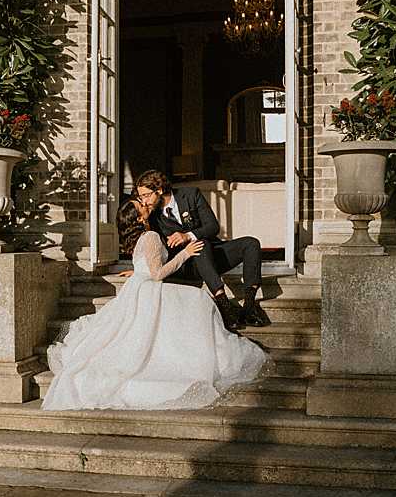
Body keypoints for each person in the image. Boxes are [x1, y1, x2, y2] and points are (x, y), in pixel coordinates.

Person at [41, 196, 268, 411]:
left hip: (140, 287)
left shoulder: (143, 237)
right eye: (140, 204)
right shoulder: (150, 237)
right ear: (139, 218)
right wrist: (186, 253)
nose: (144, 203)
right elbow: (158, 273)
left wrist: (137, 271)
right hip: (149, 288)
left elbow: (148, 266)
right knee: (199, 299)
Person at [134, 169, 271, 332]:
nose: (143, 200)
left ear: (160, 190)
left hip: (211, 257)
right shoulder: (152, 214)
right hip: (186, 264)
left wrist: (187, 235)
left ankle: (249, 306)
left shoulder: (191, 194)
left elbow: (212, 226)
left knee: (251, 243)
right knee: (201, 243)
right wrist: (140, 269)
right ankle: (223, 303)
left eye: (146, 195)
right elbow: (146, 243)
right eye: (141, 196)